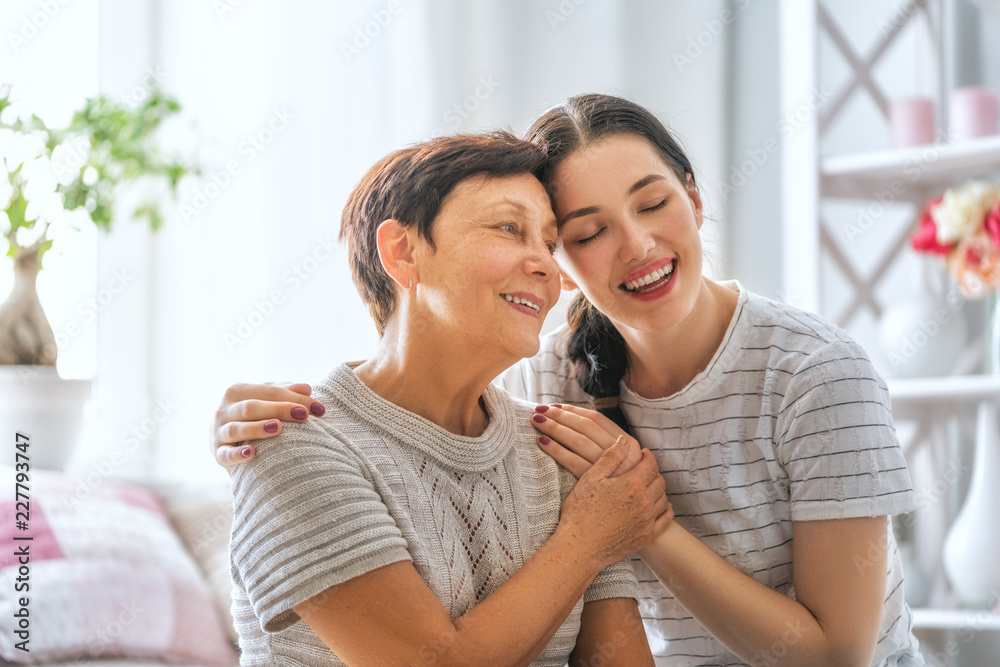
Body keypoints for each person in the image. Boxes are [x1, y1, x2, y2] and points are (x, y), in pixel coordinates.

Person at [213, 95, 923, 666]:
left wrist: (628, 524)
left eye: (548, 241)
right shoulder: (553, 389)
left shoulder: (808, 373)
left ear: (696, 199)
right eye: (578, 235)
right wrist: (594, 533)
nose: (635, 245)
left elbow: (836, 654)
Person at [224, 130, 674, 667]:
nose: (547, 267)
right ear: (403, 252)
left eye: (549, 244)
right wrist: (584, 542)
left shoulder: (561, 449)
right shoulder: (293, 444)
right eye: (509, 228)